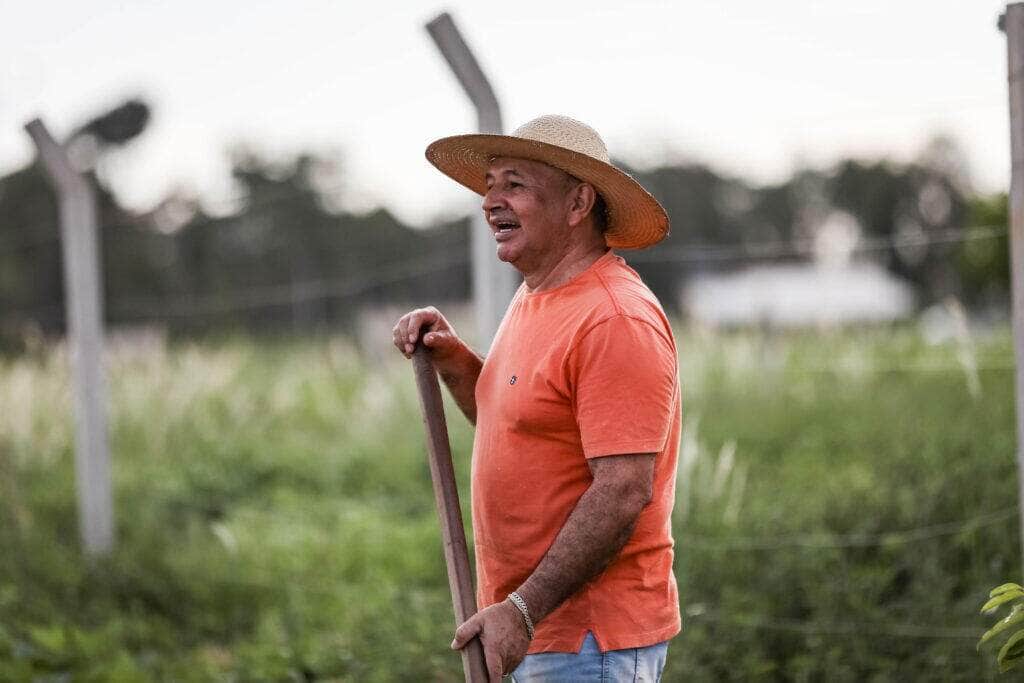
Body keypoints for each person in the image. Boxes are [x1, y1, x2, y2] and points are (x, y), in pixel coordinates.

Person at [392, 114, 681, 682]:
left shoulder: (614, 318)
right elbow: (518, 427)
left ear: (578, 203)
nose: (489, 202)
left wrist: (522, 611)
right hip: (537, 632)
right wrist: (453, 359)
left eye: (514, 184)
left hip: (589, 642)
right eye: (490, 184)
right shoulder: (538, 297)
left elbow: (623, 490)